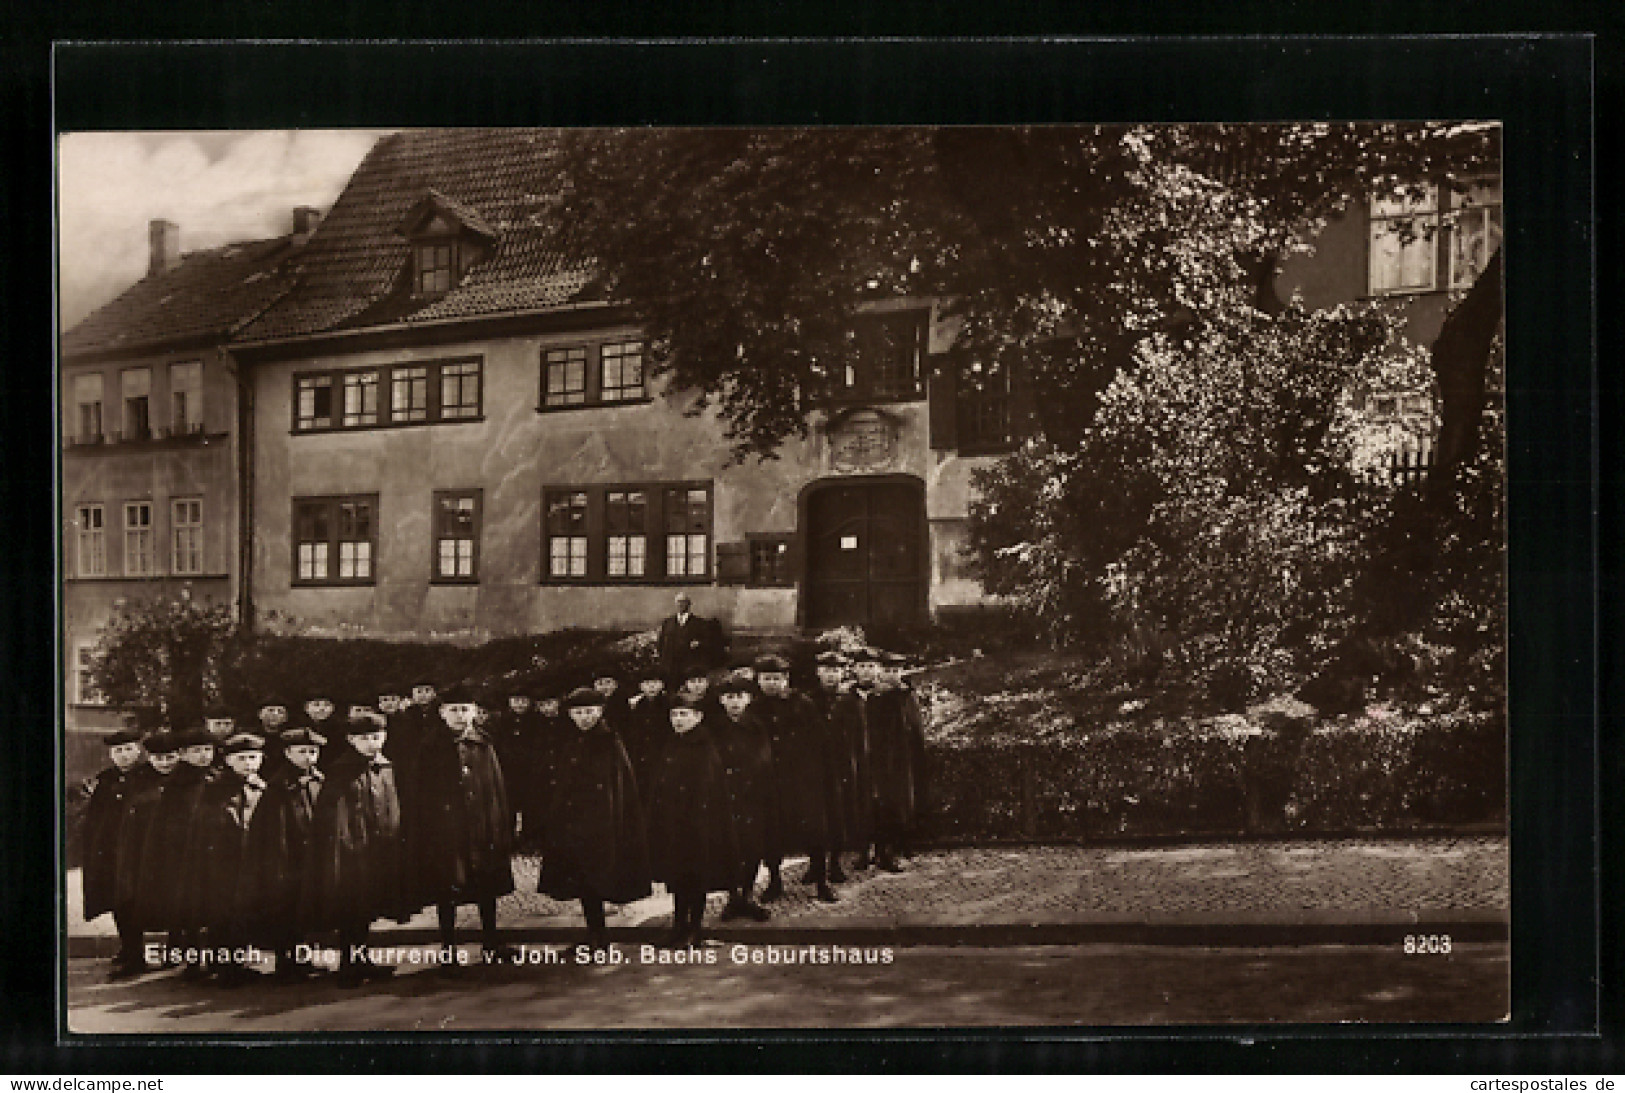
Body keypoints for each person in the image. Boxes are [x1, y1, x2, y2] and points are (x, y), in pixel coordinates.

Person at [302, 712, 410, 988]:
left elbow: (392, 808)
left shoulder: (386, 767)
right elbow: (332, 816)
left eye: (377, 737)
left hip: (380, 849)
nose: (372, 743)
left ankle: (362, 959)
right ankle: (349, 965)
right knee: (351, 909)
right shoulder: (341, 771)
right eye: (364, 739)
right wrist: (342, 846)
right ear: (351, 740)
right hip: (351, 853)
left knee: (368, 908)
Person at [538, 687, 650, 953]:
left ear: (600, 712)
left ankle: (601, 938)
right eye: (578, 713)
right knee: (584, 882)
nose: (584, 717)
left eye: (589, 712)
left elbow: (621, 787)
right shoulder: (573, 741)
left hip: (602, 825)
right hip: (575, 825)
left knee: (598, 880)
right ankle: (593, 933)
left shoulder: (610, 741)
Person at [415, 681, 517, 968]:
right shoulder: (431, 746)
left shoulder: (483, 743)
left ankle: (491, 942)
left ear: (474, 712)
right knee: (447, 890)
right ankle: (449, 949)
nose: (460, 715)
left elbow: (496, 787)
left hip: (482, 827)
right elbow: (421, 792)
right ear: (442, 713)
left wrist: (500, 824)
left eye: (465, 709)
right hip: (448, 831)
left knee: (486, 886)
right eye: (453, 710)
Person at [644, 696, 738, 947]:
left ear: (698, 717)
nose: (678, 720)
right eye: (674, 715)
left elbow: (708, 789)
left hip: (697, 825)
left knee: (696, 877)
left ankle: (695, 929)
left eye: (684, 715)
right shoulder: (672, 743)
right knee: (676, 876)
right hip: (672, 823)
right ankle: (678, 926)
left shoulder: (703, 746)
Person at [184, 732, 268, 987]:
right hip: (220, 864)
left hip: (251, 863)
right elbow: (202, 830)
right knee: (221, 916)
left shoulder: (261, 788)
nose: (248, 763)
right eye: (241, 758)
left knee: (244, 914)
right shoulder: (214, 790)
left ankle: (238, 963)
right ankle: (224, 967)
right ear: (229, 761)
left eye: (253, 758)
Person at [752, 654, 837, 903]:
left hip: (803, 779)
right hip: (770, 781)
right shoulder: (754, 709)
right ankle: (775, 881)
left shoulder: (803, 704)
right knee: (772, 833)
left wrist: (820, 775)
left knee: (814, 831)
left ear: (786, 679)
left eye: (776, 678)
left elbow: (821, 741)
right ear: (758, 681)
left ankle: (822, 882)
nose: (771, 683)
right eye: (766, 679)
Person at [245, 725, 326, 982]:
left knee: (306, 911)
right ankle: (286, 963)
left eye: (313, 752)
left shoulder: (319, 781)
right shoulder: (279, 787)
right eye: (302, 752)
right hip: (288, 859)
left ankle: (304, 959)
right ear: (288, 753)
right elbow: (273, 830)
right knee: (285, 911)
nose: (308, 757)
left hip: (312, 857)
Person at [143, 725, 217, 976]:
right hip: (182, 853)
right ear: (184, 754)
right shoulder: (178, 784)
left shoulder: (214, 777)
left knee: (208, 904)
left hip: (210, 850)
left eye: (208, 750)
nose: (204, 756)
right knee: (186, 906)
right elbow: (165, 824)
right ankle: (189, 960)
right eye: (197, 751)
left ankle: (212, 958)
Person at [80, 724, 147, 978]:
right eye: (118, 751)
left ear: (139, 750)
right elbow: (96, 820)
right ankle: (130, 948)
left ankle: (138, 954)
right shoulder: (106, 780)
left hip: (141, 850)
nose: (124, 755)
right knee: (119, 902)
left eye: (129, 749)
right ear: (111, 754)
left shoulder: (146, 776)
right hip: (113, 852)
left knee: (137, 901)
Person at [113, 726, 180, 974]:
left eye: (170, 757)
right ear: (149, 757)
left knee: (178, 899)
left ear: (179, 755)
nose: (164, 763)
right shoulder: (137, 780)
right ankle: (134, 955)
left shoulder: (186, 779)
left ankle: (176, 952)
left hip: (176, 850)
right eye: (158, 758)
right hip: (140, 850)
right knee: (131, 900)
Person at [711, 676, 774, 921]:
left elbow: (764, 760)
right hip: (725, 797)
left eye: (739, 697)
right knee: (729, 847)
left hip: (752, 796)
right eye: (729, 698)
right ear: (721, 700)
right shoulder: (714, 728)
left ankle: (747, 895)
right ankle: (733, 896)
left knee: (752, 846)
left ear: (748, 699)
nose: (734, 702)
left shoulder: (757, 726)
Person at [864, 652, 929, 872]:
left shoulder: (907, 695)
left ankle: (901, 844)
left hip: (904, 757)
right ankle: (884, 852)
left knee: (903, 801)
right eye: (888, 670)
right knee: (884, 804)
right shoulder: (876, 698)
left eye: (896, 671)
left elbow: (915, 726)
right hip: (882, 758)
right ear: (880, 672)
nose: (892, 675)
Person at [811, 650, 871, 884]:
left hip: (842, 767)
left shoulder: (851, 702)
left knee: (838, 816)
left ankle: (834, 863)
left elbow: (860, 737)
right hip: (814, 768)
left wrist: (857, 763)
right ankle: (815, 865)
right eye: (826, 670)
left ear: (843, 673)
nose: (830, 676)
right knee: (815, 817)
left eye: (835, 671)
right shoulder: (807, 701)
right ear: (818, 672)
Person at [621, 668, 672, 798]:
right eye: (647, 683)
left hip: (662, 753)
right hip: (641, 755)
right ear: (641, 686)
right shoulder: (637, 706)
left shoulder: (668, 704)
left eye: (655, 683)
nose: (651, 687)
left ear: (662, 685)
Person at [656, 593, 727, 684]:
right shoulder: (668, 622)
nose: (680, 604)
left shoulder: (699, 623)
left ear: (689, 604)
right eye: (678, 602)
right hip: (671, 665)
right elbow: (661, 642)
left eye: (683, 602)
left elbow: (709, 642)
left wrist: (699, 643)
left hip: (690, 664)